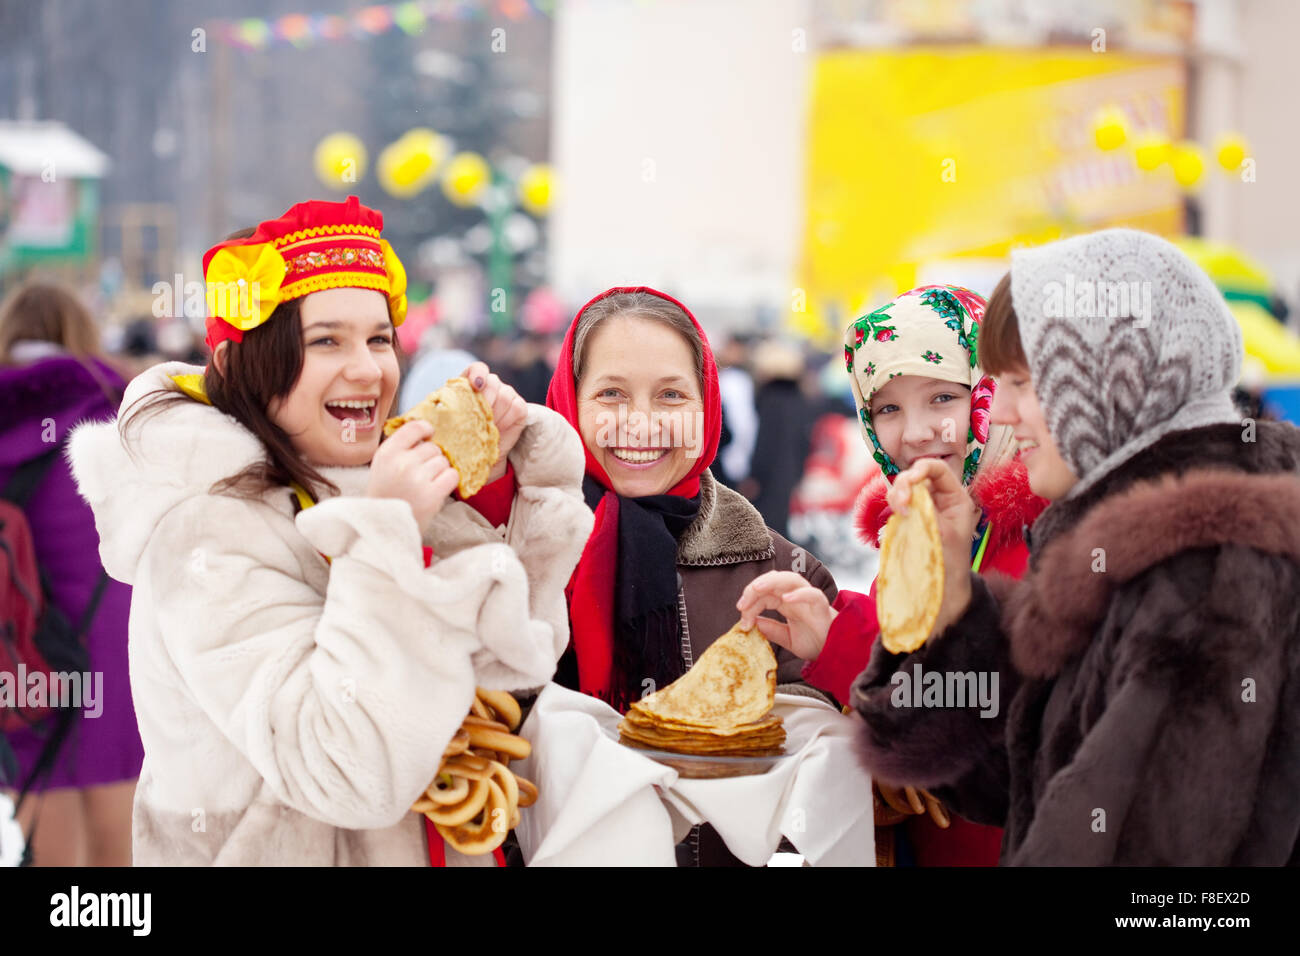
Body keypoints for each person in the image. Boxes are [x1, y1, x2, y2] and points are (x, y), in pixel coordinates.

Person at [65, 197, 593, 866]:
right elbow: (351, 774)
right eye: (326, 341)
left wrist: (495, 496)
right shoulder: (206, 530)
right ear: (242, 366)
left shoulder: (364, 485)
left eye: (379, 338)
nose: (369, 368)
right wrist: (388, 533)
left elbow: (510, 674)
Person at [859, 229, 1300, 865]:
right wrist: (950, 604)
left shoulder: (1210, 578)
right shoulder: (1129, 551)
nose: (1001, 410)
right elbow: (1028, 782)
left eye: (1022, 383)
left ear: (1111, 379)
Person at [738, 284, 1048, 866]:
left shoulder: (1044, 538)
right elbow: (906, 676)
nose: (915, 433)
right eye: (888, 408)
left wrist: (847, 639)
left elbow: (996, 715)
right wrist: (827, 637)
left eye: (941, 398)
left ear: (991, 392)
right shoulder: (912, 533)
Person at [545, 286, 839, 866]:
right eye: (610, 393)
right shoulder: (520, 558)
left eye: (671, 395)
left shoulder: (784, 575)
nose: (641, 422)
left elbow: (822, 774)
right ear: (569, 403)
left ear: (707, 405)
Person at [0, 280, 140, 866]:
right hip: (115, 644)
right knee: (120, 844)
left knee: (48, 836)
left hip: (18, 645)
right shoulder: (122, 410)